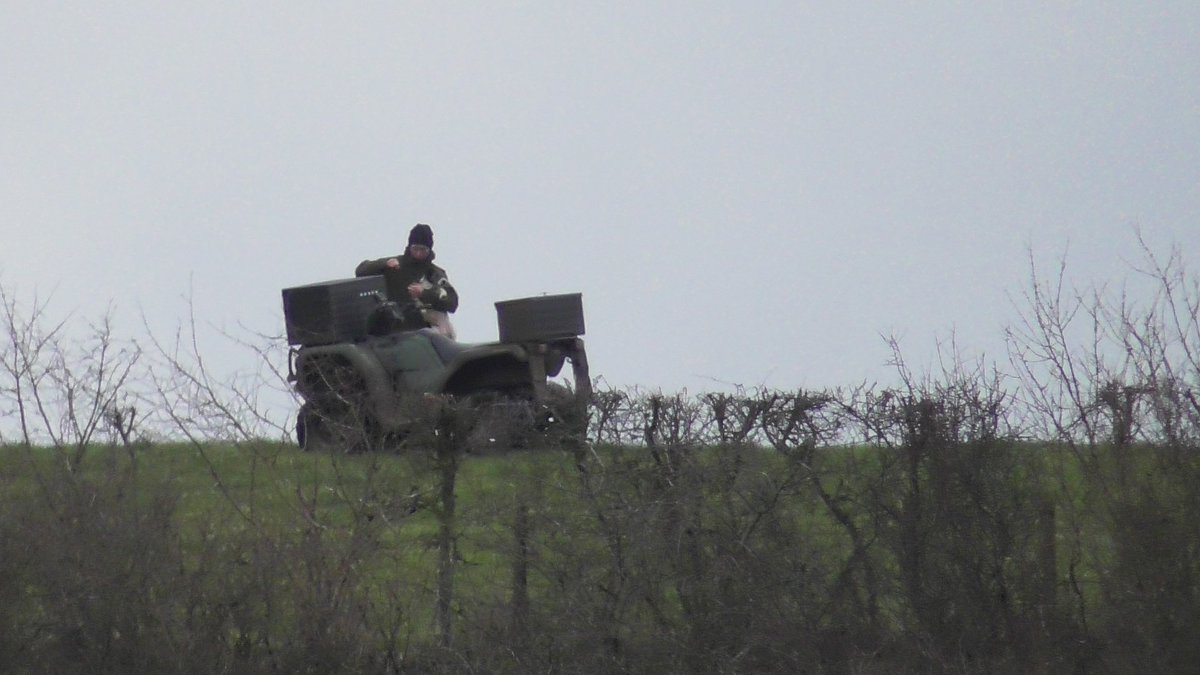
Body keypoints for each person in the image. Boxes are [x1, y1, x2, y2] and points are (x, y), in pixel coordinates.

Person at [355, 223, 459, 338]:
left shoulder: (435, 274)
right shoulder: (395, 266)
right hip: (396, 333)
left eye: (423, 250)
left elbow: (452, 302)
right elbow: (361, 270)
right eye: (415, 249)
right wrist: (384, 264)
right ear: (410, 247)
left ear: (429, 250)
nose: (419, 253)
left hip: (426, 335)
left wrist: (424, 293)